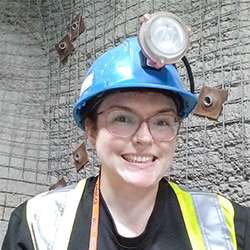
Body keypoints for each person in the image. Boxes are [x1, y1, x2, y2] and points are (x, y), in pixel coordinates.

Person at [2, 37, 250, 250]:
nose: (144, 138)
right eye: (122, 118)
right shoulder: (37, 224)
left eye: (162, 122)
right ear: (91, 129)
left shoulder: (227, 225)